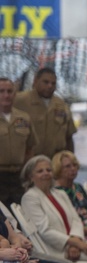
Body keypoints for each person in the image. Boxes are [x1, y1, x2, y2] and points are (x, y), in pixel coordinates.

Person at [14, 67, 76, 158]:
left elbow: (69, 137)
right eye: (46, 82)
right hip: (28, 161)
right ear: (35, 81)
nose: (50, 86)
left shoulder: (61, 105)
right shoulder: (19, 100)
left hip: (54, 162)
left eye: (53, 83)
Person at [0, 77, 37, 206]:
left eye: (10, 91)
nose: (6, 95)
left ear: (15, 94)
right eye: (2, 91)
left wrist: (26, 172)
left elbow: (30, 147)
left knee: (21, 215)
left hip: (18, 178)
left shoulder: (24, 118)